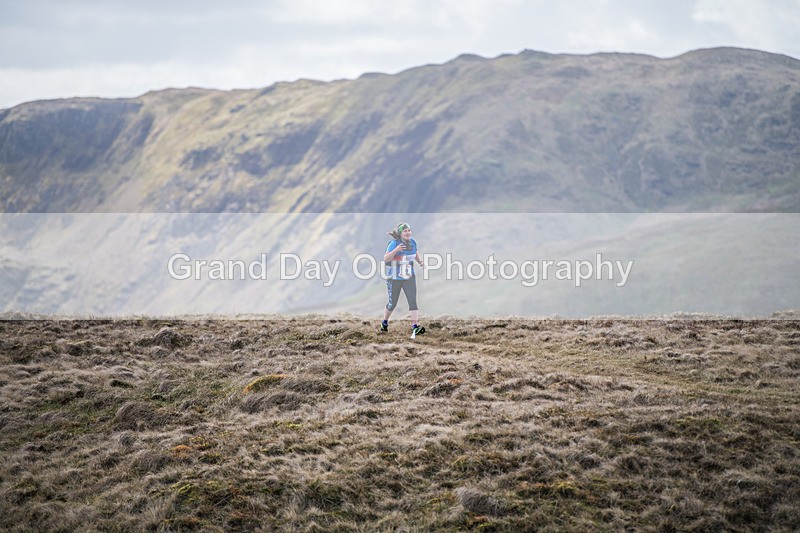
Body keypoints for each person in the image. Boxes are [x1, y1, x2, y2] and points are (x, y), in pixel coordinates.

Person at [381, 222, 426, 337]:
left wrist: (420, 262)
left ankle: (415, 327)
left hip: (409, 277)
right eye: (405, 231)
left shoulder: (413, 242)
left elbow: (415, 252)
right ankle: (385, 322)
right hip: (394, 278)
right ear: (401, 233)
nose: (408, 233)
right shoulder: (394, 243)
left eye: (409, 230)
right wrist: (396, 250)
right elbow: (386, 259)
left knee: (412, 301)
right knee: (392, 304)